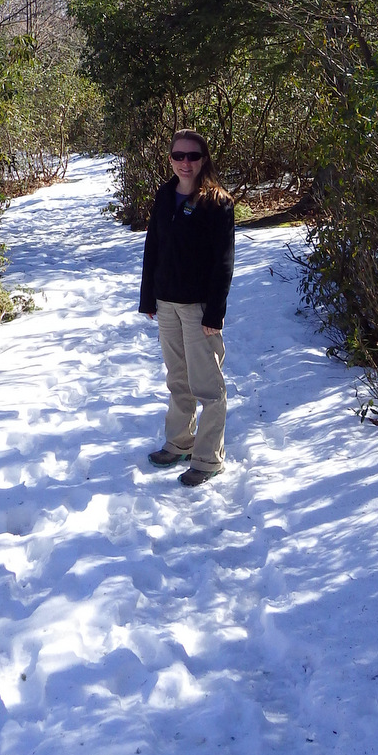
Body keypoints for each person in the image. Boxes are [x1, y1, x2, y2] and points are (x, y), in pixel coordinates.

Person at [139, 129, 235, 487]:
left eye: (193, 156)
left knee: (208, 386)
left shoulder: (218, 202)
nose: (185, 162)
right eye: (178, 156)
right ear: (170, 159)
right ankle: (179, 442)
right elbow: (153, 246)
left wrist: (214, 312)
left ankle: (208, 458)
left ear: (203, 159)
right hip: (167, 303)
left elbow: (224, 263)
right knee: (178, 379)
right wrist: (148, 297)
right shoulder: (165, 195)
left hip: (199, 308)